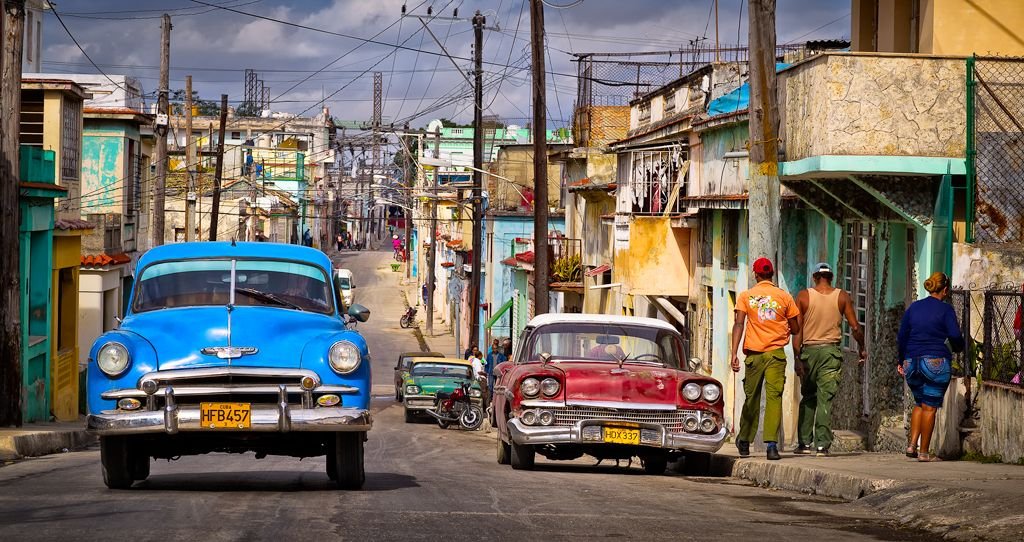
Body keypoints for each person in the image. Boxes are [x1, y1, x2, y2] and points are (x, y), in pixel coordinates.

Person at [792, 262, 867, 457]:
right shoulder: (841, 296)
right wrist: (862, 348)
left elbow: (797, 331)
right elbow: (856, 328)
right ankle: (822, 445)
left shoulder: (803, 296)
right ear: (831, 278)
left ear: (815, 277)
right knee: (825, 399)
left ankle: (804, 443)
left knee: (808, 397)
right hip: (831, 353)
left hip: (809, 352)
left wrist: (797, 358)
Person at [730, 257, 801, 461]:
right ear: (771, 274)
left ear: (756, 274)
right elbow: (796, 328)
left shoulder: (746, 296)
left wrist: (734, 353)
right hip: (776, 355)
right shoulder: (784, 297)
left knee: (751, 398)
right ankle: (771, 446)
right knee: (774, 399)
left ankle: (744, 440)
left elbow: (738, 324)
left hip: (754, 355)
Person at [897, 272, 965, 462]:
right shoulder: (946, 310)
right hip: (935, 362)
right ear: (945, 289)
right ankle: (924, 452)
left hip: (911, 362)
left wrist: (901, 360)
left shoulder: (914, 308)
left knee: (919, 403)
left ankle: (912, 445)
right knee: (930, 408)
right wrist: (959, 347)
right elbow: (955, 335)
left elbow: (902, 336)